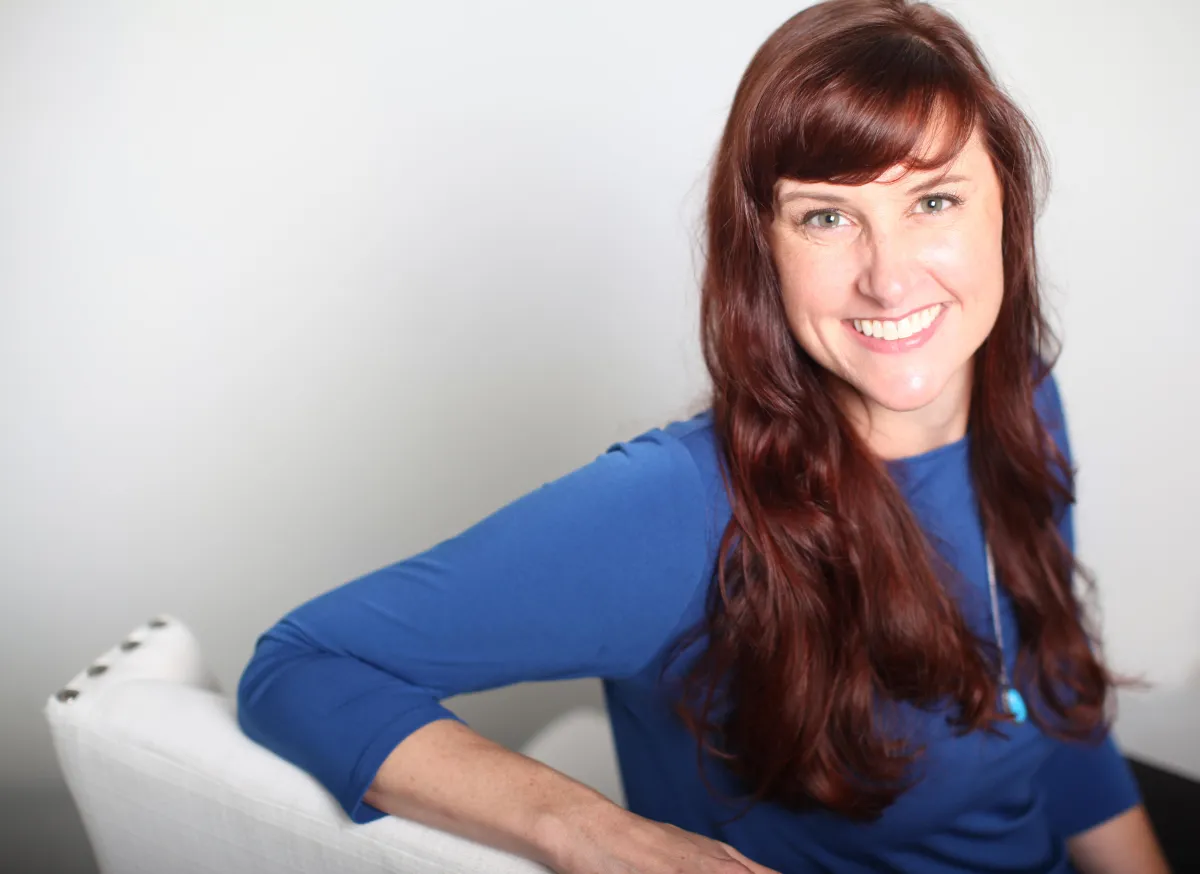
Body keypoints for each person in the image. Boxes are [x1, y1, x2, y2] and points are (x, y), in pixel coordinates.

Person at [236, 1, 1172, 871]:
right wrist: (591, 832)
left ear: (1005, 207)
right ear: (763, 247)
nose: (888, 279)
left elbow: (1054, 708)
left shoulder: (1021, 396)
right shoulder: (682, 506)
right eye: (827, 216)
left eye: (933, 201)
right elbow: (303, 665)